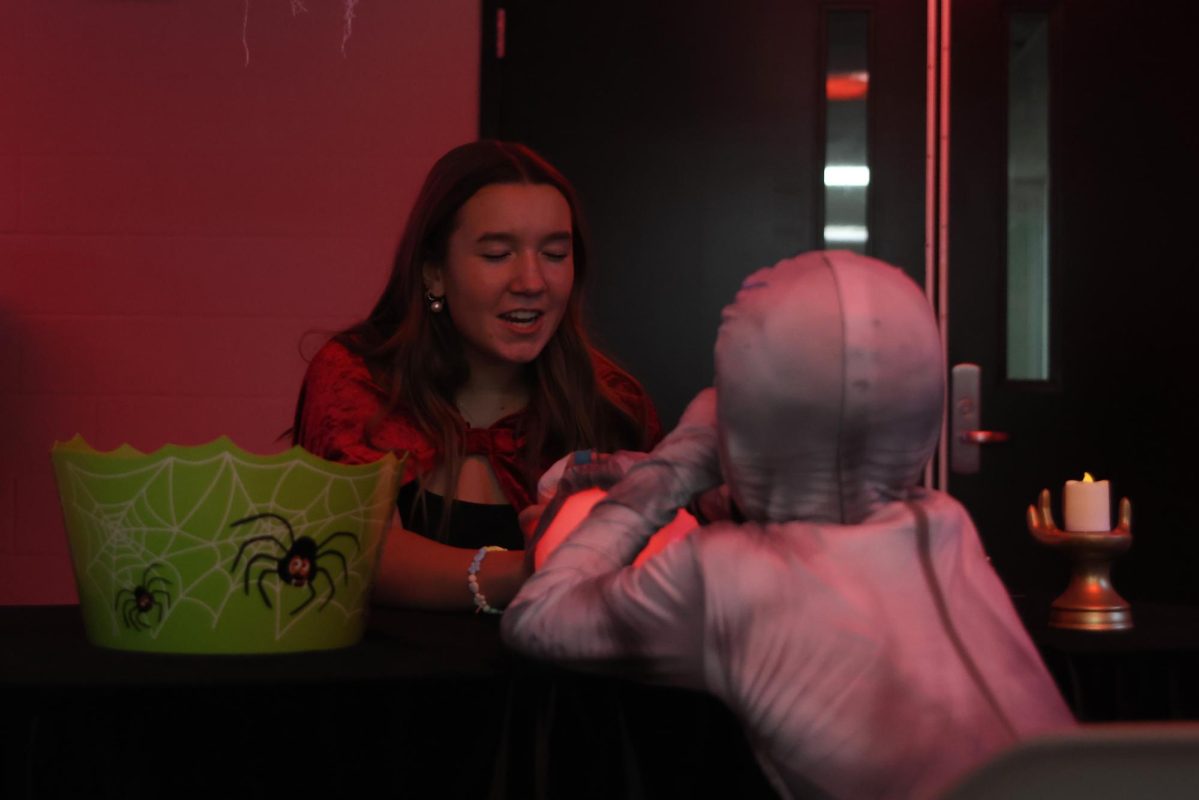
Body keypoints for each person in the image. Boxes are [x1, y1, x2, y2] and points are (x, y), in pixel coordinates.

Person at [502, 250, 1076, 799]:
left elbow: (536, 618)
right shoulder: (943, 523)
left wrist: (677, 464)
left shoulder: (726, 576)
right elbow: (824, 495)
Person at [293, 140, 660, 612]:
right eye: (496, 254)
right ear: (434, 274)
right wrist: (535, 569)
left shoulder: (613, 402)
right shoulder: (359, 380)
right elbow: (356, 549)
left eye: (553, 254)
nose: (531, 281)